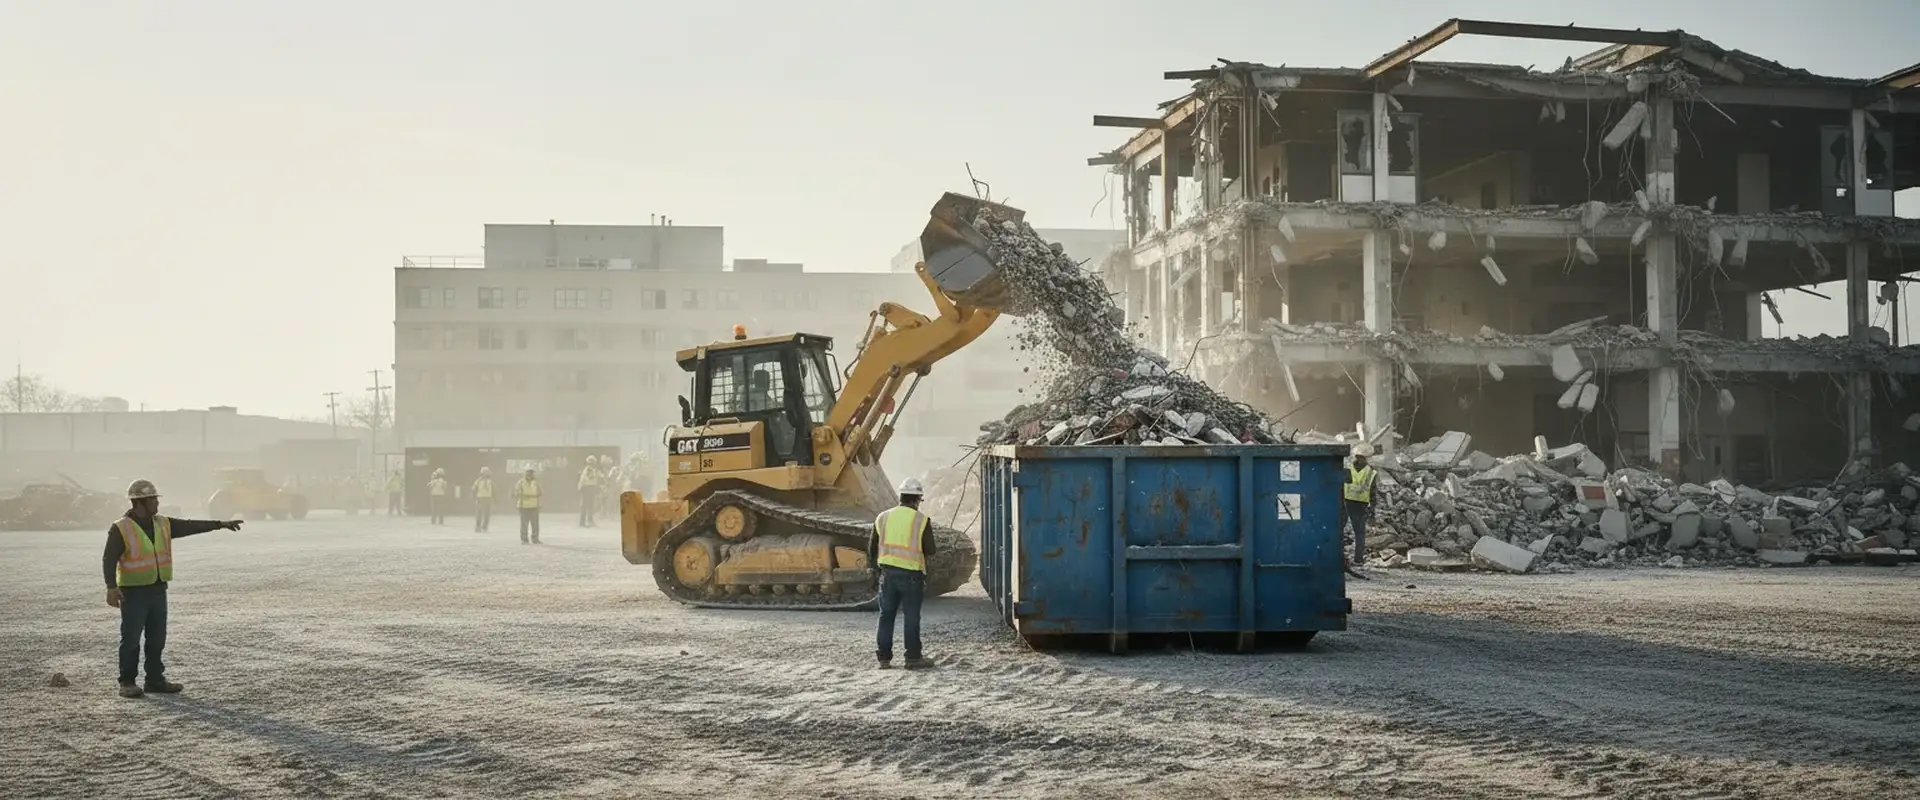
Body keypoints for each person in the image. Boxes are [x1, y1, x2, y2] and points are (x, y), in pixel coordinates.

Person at [103, 480, 243, 698]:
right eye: (153, 499)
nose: (157, 503)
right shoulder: (121, 528)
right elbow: (109, 558)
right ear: (140, 502)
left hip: (158, 590)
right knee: (131, 639)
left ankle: (155, 680)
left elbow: (190, 525)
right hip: (134, 592)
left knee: (157, 638)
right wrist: (111, 587)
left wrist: (220, 524)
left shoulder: (162, 523)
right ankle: (127, 682)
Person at [869, 477, 938, 670]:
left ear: (900, 497)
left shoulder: (882, 517)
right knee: (911, 617)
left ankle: (884, 658)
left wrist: (876, 571)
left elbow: (872, 548)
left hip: (888, 576)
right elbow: (930, 550)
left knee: (886, 616)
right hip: (911, 577)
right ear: (917, 500)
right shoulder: (921, 520)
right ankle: (913, 658)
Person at [1341, 443, 1378, 577]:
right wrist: (1372, 509)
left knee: (1339, 530)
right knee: (1359, 533)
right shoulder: (1371, 472)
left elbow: (1340, 486)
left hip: (1346, 501)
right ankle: (1358, 560)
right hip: (1361, 503)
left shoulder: (1347, 469)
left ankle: (1338, 556)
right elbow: (1373, 492)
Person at [515, 467, 542, 544]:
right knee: (524, 524)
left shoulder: (536, 483)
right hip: (524, 506)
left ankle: (535, 539)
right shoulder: (520, 483)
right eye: (529, 473)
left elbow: (540, 492)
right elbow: (517, 493)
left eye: (531, 473)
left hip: (534, 506)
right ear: (525, 474)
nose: (530, 474)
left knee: (535, 524)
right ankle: (524, 539)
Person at [577, 456, 600, 528]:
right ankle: (583, 522)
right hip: (587, 488)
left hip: (589, 488)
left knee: (589, 505)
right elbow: (590, 478)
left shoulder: (590, 469)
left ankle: (589, 520)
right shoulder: (589, 470)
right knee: (586, 505)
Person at [472, 467, 495, 532]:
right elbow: (474, 490)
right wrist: (475, 498)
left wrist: (494, 498)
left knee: (487, 513)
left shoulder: (490, 482)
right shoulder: (478, 481)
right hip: (481, 498)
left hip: (488, 498)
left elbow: (494, 491)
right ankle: (478, 526)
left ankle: (484, 527)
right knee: (480, 513)